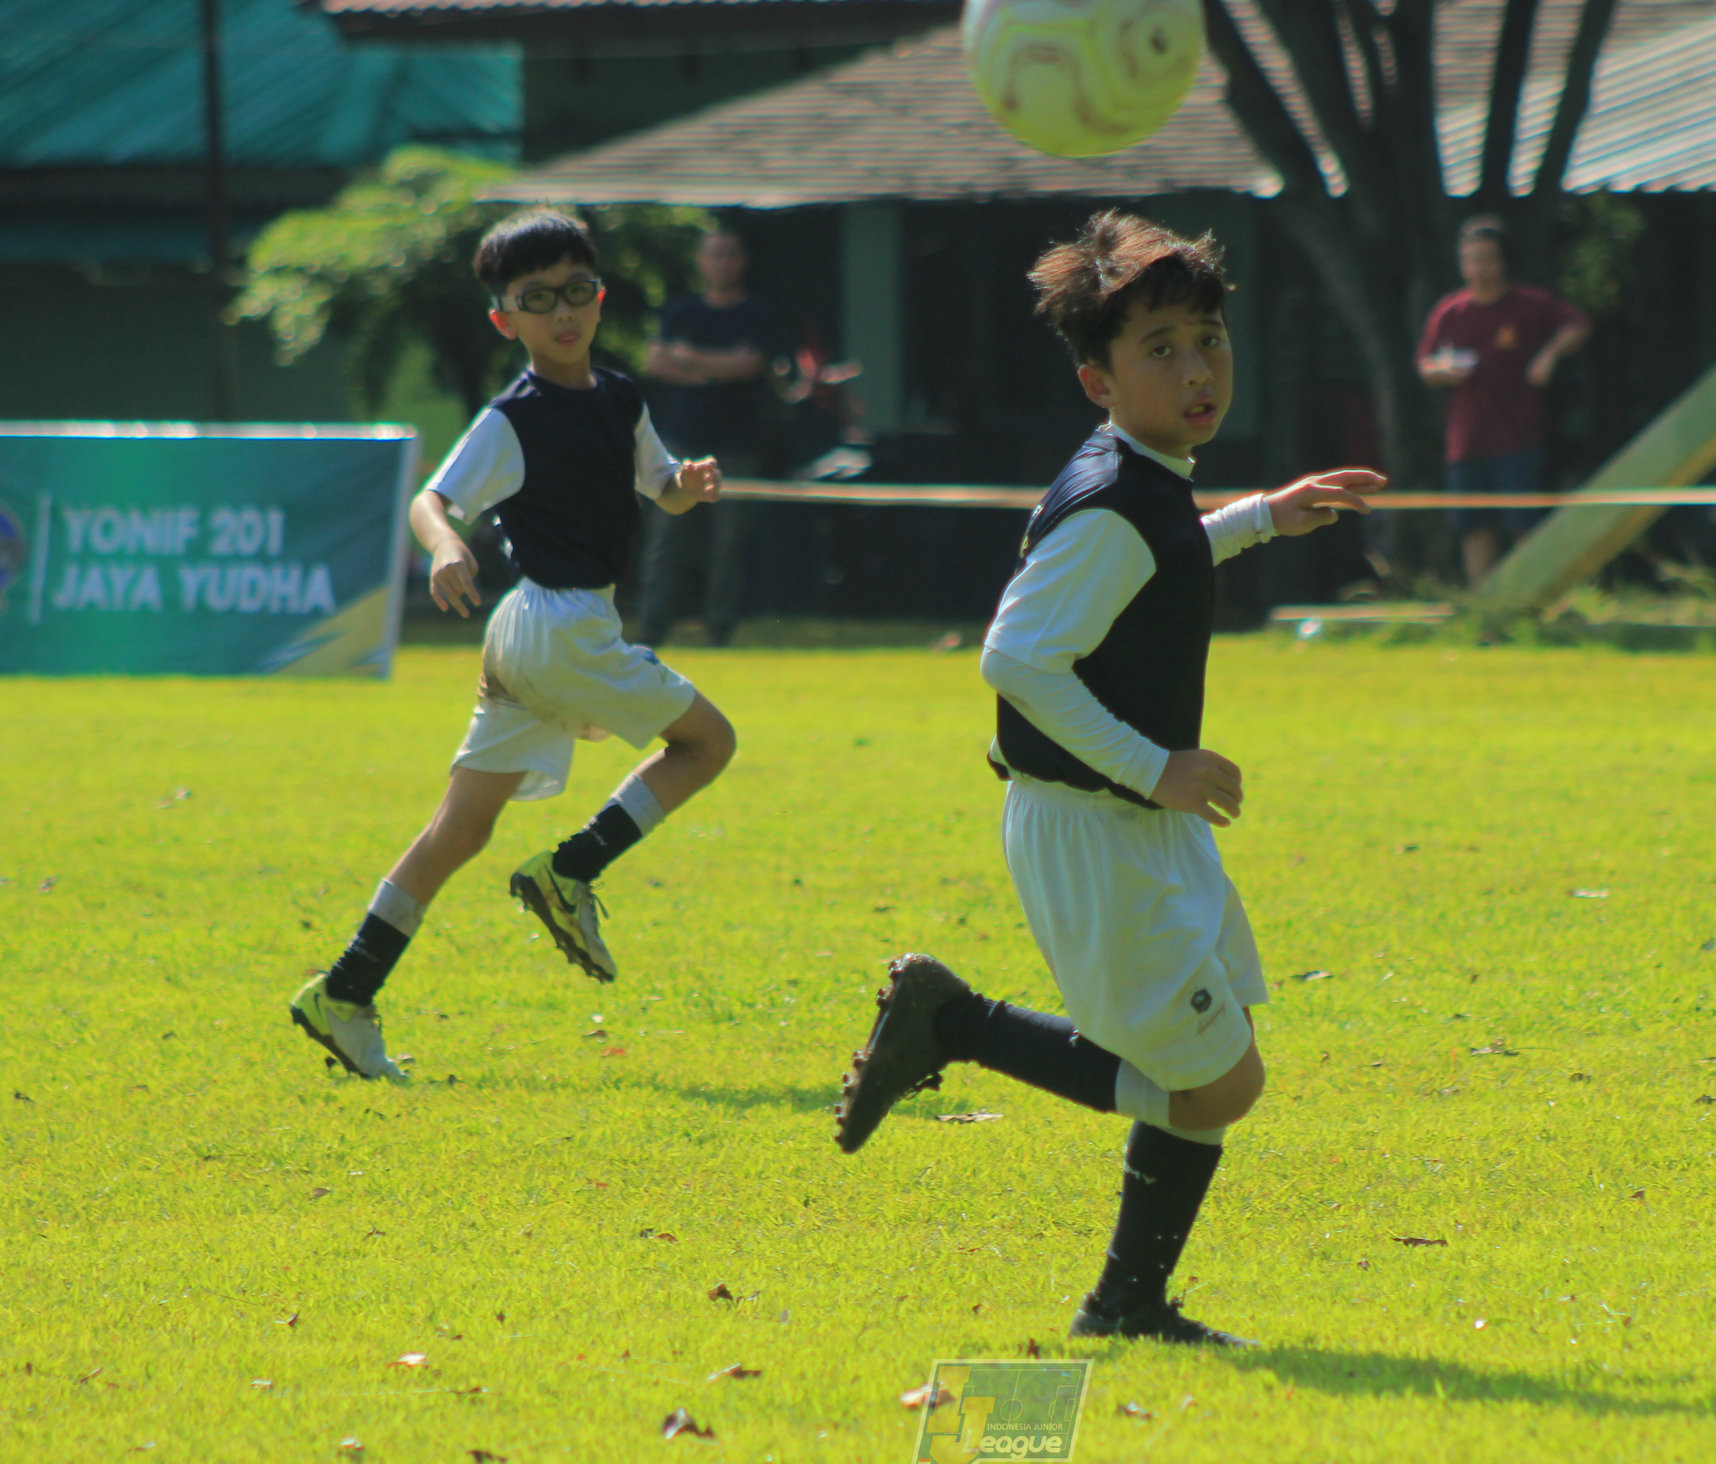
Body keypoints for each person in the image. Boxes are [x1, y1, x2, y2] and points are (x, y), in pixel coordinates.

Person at [829, 212, 1384, 1346]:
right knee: (1218, 1083)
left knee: (1204, 1065)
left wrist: (1261, 519)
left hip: (1129, 818)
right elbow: (1016, 658)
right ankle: (955, 1024)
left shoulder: (1147, 479)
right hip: (1096, 820)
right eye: (1161, 349)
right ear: (1097, 379)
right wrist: (1155, 765)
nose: (1198, 370)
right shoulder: (1113, 503)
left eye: (1209, 338)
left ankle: (1123, 1299)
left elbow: (1165, 552)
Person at [288, 210, 738, 1081]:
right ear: (506, 319)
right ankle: (570, 870)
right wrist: (448, 545)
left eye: (576, 292)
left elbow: (660, 490)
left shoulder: (619, 397)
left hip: (533, 634)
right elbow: (431, 500)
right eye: (536, 300)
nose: (561, 313)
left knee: (458, 829)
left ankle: (343, 991)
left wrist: (685, 484)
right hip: (560, 625)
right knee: (709, 742)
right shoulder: (512, 417)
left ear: (599, 297)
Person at [1417, 215, 1590, 587]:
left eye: (1487, 259)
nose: (1479, 268)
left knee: (1524, 524)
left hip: (1519, 438)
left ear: (1503, 261)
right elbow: (1426, 367)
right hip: (1466, 442)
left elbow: (1577, 326)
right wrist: (1443, 373)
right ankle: (1484, 610)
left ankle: (1531, 599)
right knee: (1474, 528)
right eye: (1472, 260)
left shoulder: (1530, 304)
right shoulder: (1450, 312)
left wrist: (1549, 356)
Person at [637, 229, 785, 648]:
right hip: (679, 444)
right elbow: (655, 362)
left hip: (736, 447)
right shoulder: (680, 310)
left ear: (742, 262)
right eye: (715, 255)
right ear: (702, 262)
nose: (722, 262)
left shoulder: (757, 313)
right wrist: (716, 369)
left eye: (730, 254)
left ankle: (719, 631)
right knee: (666, 540)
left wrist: (688, 360)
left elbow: (750, 365)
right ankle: (651, 630)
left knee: (728, 545)